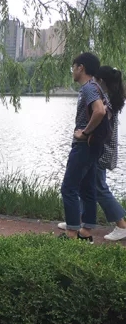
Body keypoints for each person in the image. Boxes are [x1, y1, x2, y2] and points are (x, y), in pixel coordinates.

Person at [58, 66, 126, 241]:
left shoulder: (102, 99)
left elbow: (100, 119)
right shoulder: (109, 98)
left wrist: (85, 133)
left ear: (100, 81)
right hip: (100, 148)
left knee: (97, 187)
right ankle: (79, 222)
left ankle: (121, 225)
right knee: (87, 185)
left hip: (96, 148)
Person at [59, 52, 108, 242]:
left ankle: (71, 234)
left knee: (68, 188)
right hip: (93, 146)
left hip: (84, 145)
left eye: (74, 67)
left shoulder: (88, 88)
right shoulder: (97, 87)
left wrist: (85, 132)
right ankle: (86, 232)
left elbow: (100, 111)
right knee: (87, 188)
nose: (72, 70)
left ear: (81, 68)